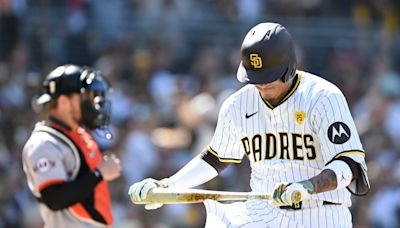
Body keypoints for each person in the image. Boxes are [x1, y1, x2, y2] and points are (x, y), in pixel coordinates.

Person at [129, 22, 370, 227]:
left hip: (321, 212)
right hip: (264, 211)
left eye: (268, 77)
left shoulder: (323, 97)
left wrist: (306, 186)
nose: (261, 85)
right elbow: (215, 158)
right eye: (256, 78)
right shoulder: (238, 104)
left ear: (289, 67)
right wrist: (168, 186)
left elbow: (349, 165)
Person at [22, 65, 122, 227]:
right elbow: (54, 198)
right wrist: (99, 174)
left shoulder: (78, 134)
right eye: (85, 97)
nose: (92, 102)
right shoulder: (43, 143)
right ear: (63, 102)